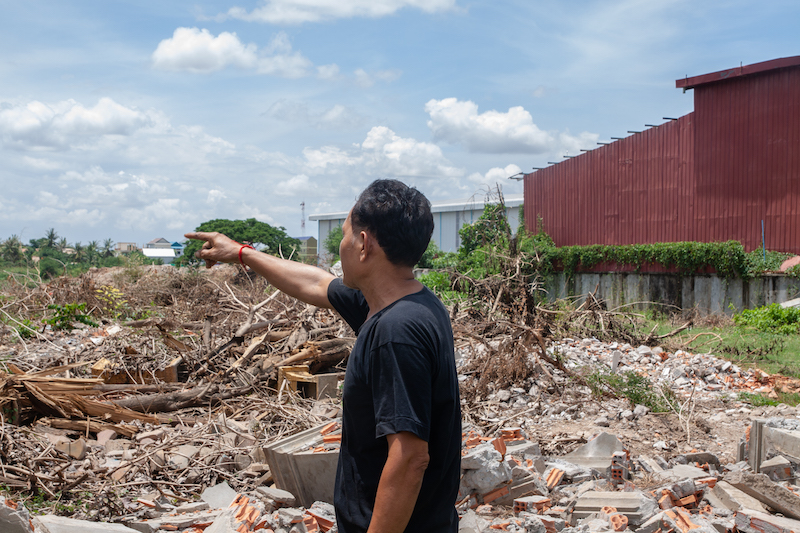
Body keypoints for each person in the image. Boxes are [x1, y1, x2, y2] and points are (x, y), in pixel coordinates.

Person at [186, 179, 461, 533]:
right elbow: (314, 283)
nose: (341, 246)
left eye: (345, 235)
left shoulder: (395, 333)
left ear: (363, 244)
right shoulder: (410, 303)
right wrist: (242, 253)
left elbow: (410, 458)